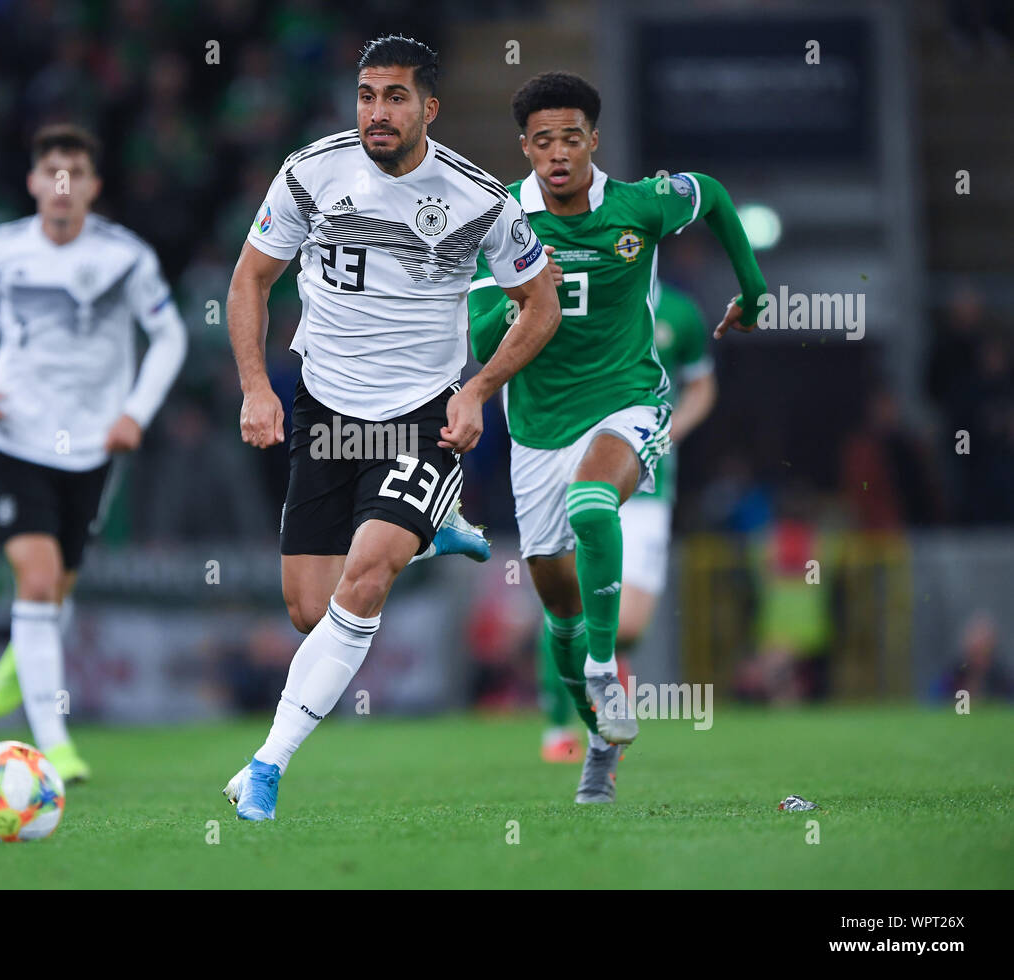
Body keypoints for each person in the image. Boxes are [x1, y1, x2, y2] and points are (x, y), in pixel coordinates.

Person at [223, 35, 561, 820]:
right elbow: (252, 278)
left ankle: (268, 768)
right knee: (312, 611)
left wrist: (478, 389)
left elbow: (539, 305)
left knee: (367, 577)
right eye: (368, 95)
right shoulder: (311, 172)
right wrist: (254, 388)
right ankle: (435, 524)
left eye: (396, 97)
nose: (378, 111)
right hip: (327, 409)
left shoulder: (480, 200)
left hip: (422, 416)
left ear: (429, 108)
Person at [467, 71, 766, 803]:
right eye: (544, 142)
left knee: (594, 504)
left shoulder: (639, 204)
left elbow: (717, 197)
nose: (559, 153)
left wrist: (754, 291)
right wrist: (521, 308)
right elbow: (478, 337)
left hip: (626, 401)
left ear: (593, 140)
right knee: (556, 608)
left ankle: (605, 672)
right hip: (536, 428)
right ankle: (594, 735)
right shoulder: (500, 218)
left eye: (572, 138)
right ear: (526, 148)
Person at [0, 124, 187, 782]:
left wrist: (135, 412)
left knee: (59, 588)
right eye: (51, 172)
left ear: (92, 186)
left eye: (75, 174)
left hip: (93, 444)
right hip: (16, 435)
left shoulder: (125, 257)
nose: (62, 186)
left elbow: (168, 337)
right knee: (39, 579)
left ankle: (17, 661)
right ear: (32, 183)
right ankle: (54, 746)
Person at [537, 279, 715, 762]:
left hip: (650, 481)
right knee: (571, 600)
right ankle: (559, 728)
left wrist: (668, 431)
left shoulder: (679, 311)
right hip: (579, 466)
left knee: (628, 625)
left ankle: (598, 681)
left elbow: (701, 384)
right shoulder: (585, 290)